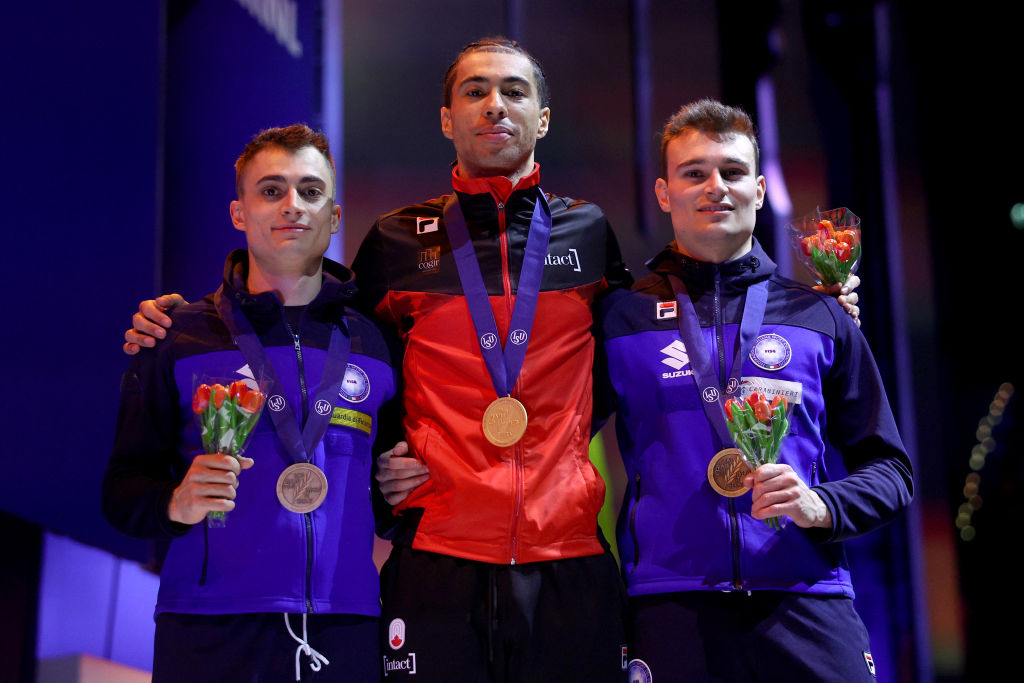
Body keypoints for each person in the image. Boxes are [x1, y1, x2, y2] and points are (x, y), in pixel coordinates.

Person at [123, 37, 631, 681]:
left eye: (513, 91)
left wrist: (560, 448)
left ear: (544, 117)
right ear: (447, 119)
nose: (494, 106)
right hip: (437, 551)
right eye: (474, 92)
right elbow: (327, 338)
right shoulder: (396, 240)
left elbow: (618, 364)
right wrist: (185, 321)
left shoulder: (588, 230)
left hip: (566, 548)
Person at [597, 99, 913, 682]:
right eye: (694, 173)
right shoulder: (622, 318)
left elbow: (892, 471)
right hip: (670, 605)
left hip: (807, 596)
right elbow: (552, 447)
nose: (715, 186)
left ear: (761, 190)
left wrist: (824, 506)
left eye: (733, 172)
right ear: (665, 193)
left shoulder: (820, 314)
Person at [103, 124, 405, 682]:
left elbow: (392, 499)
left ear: (334, 217)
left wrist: (400, 488)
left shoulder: (376, 343)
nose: (293, 206)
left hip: (346, 626)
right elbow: (122, 490)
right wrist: (174, 502)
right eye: (271, 190)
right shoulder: (178, 335)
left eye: (311, 192)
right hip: (208, 626)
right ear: (239, 213)